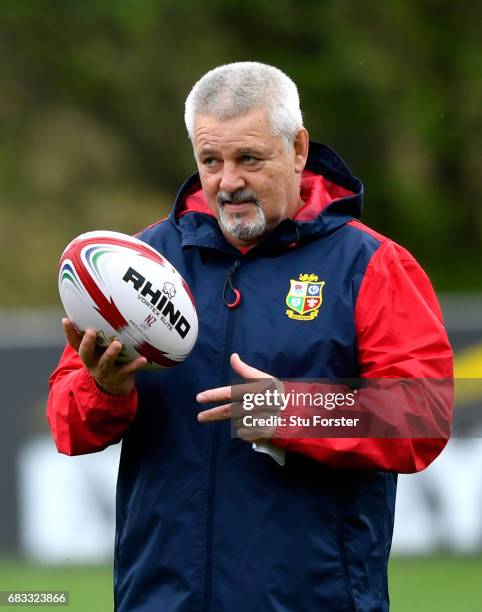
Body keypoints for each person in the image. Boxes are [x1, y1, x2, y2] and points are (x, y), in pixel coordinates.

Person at [47, 62, 453, 611]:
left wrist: (291, 412)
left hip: (314, 599)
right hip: (160, 600)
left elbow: (423, 414)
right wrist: (106, 391)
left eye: (249, 159)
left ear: (298, 149)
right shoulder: (138, 268)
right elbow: (68, 425)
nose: (227, 181)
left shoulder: (371, 265)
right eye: (210, 161)